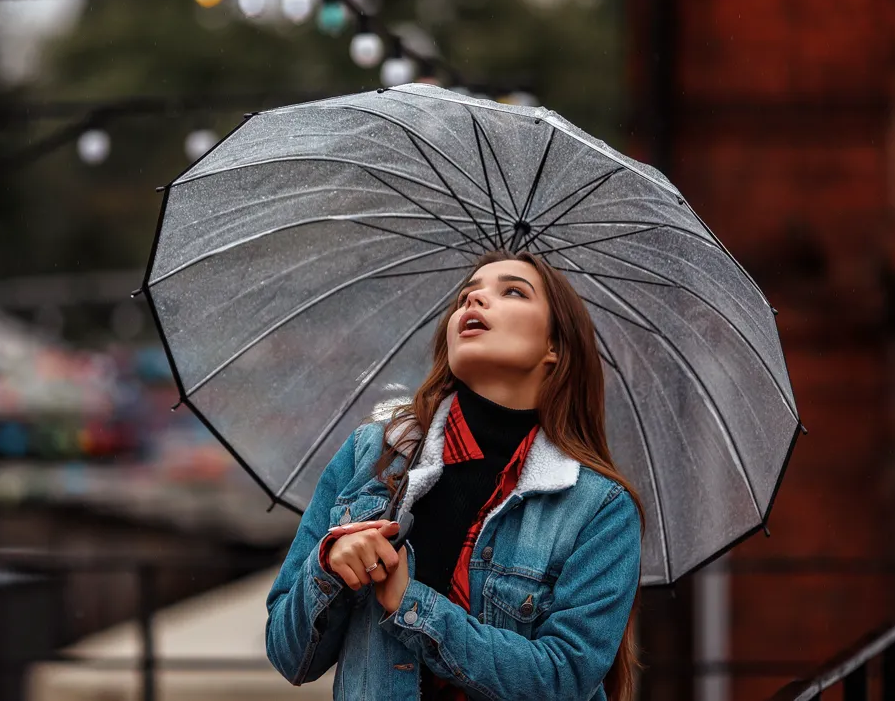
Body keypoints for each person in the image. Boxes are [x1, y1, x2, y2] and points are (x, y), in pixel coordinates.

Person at [265, 249, 644, 700]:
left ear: (554, 348)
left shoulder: (599, 506)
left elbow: (563, 677)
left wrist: (411, 605)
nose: (474, 301)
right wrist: (330, 566)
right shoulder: (371, 456)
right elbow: (289, 657)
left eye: (512, 292)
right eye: (467, 294)